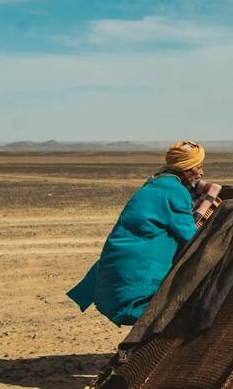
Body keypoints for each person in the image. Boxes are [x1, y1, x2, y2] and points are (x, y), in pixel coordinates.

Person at [68, 140, 212, 326]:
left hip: (114, 269)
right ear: (185, 168)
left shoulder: (155, 184)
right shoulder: (174, 192)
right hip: (135, 275)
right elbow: (191, 237)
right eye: (197, 167)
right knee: (177, 309)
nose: (201, 172)